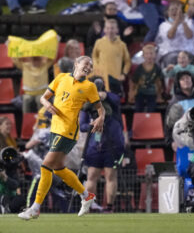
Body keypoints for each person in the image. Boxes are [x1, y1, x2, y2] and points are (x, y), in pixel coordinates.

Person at [18, 56, 105, 220]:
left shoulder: (89, 86)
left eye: (91, 66)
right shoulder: (61, 78)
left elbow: (101, 109)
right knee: (58, 168)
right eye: (86, 64)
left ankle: (35, 208)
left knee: (45, 166)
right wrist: (47, 104)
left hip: (68, 131)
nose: (89, 67)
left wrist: (101, 118)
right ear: (76, 64)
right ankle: (86, 195)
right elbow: (44, 97)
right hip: (55, 129)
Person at [80, 76, 125, 213]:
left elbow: (116, 100)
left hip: (113, 143)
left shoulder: (111, 99)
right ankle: (90, 205)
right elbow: (82, 126)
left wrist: (104, 96)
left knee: (110, 175)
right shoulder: (88, 103)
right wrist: (93, 124)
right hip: (95, 145)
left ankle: (109, 207)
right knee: (92, 175)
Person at [92, 19, 131, 95]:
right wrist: (97, 69)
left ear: (117, 30)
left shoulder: (122, 45)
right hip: (101, 78)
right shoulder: (99, 42)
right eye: (108, 28)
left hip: (115, 79)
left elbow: (127, 61)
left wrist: (124, 74)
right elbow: (94, 57)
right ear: (104, 30)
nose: (110, 30)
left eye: (112, 28)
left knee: (115, 102)